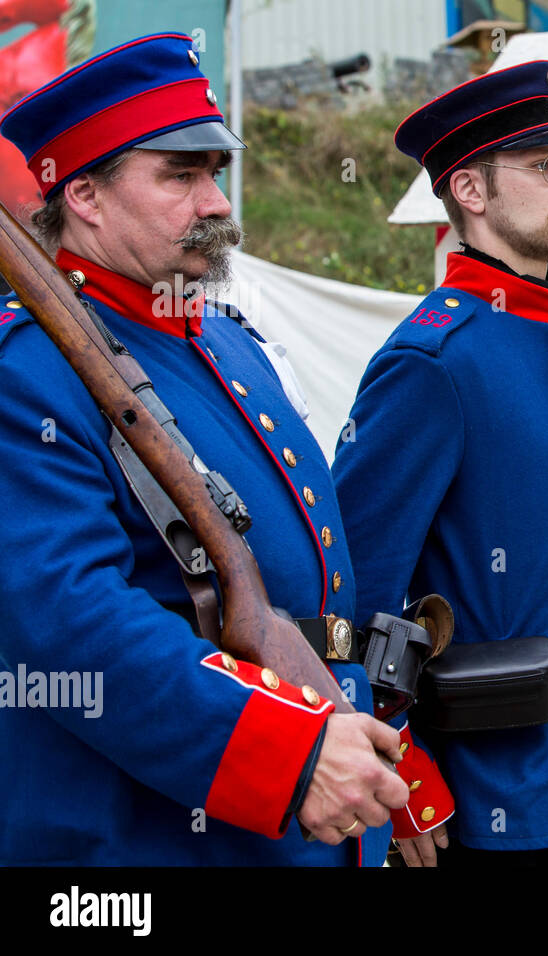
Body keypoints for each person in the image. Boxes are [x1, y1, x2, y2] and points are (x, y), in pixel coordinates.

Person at [0, 32, 424, 864]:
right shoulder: (29, 373)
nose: (218, 203)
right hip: (154, 843)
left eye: (214, 174)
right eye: (180, 175)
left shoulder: (228, 344)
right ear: (82, 195)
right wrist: (289, 752)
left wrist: (365, 750)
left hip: (310, 808)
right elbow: (73, 621)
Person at [333, 60, 548, 867]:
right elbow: (350, 587)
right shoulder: (433, 361)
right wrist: (402, 771)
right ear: (469, 189)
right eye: (543, 166)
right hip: (479, 791)